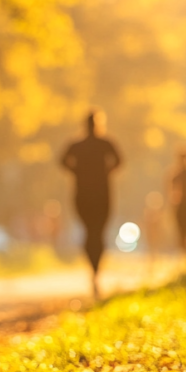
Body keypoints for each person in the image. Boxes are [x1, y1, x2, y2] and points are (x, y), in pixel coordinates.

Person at [60, 110, 122, 297]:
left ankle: (93, 269)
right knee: (97, 232)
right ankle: (95, 270)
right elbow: (119, 161)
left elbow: (62, 161)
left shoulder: (77, 145)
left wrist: (77, 172)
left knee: (90, 232)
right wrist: (106, 172)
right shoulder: (105, 144)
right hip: (101, 195)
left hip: (83, 195)